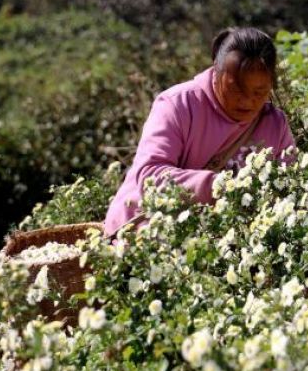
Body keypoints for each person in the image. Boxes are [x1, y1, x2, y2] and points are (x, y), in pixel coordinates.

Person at [103, 27, 297, 240]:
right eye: (235, 90)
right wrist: (217, 186)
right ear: (217, 72)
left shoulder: (274, 124)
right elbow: (150, 174)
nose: (247, 101)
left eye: (259, 92)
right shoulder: (178, 105)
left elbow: (290, 187)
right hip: (142, 237)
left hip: (214, 244)